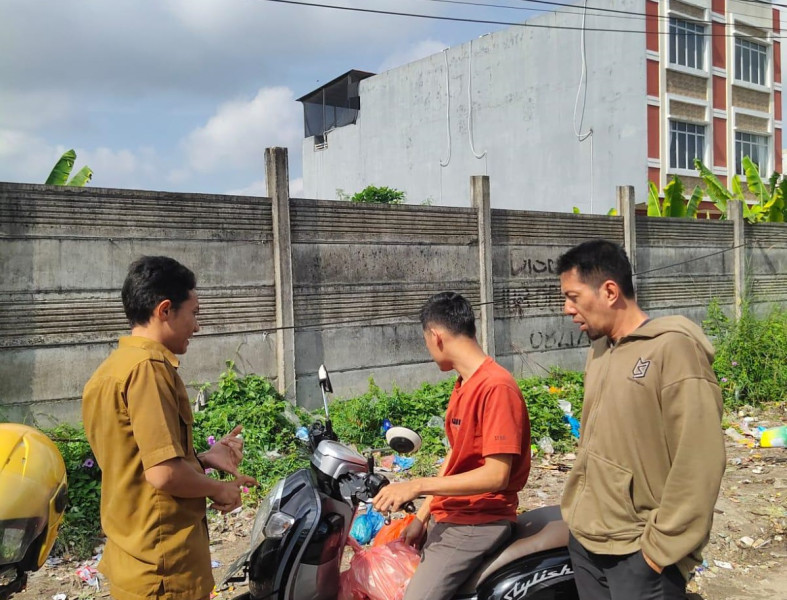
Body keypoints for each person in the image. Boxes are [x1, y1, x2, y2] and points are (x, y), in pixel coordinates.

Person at [556, 240, 726, 600]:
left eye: (573, 296)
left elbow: (699, 459)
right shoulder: (600, 350)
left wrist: (659, 550)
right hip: (588, 539)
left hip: (639, 551)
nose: (567, 309)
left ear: (610, 291)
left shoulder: (673, 349)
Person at [82, 256, 256, 600]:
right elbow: (162, 474)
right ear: (165, 310)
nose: (197, 326)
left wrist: (204, 459)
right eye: (194, 313)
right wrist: (218, 490)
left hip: (135, 557)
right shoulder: (148, 369)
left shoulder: (110, 370)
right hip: (164, 568)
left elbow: (135, 464)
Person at [372, 292, 531, 600]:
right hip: (453, 516)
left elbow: (496, 475)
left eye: (426, 341)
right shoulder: (464, 384)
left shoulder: (496, 387)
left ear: (436, 336)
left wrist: (416, 485)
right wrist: (422, 515)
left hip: (479, 521)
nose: (429, 350)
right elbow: (455, 457)